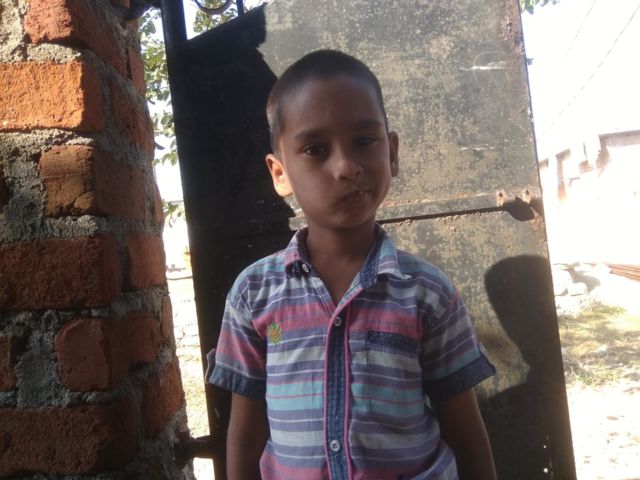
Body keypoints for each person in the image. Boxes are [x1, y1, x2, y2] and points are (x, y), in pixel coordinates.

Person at [208, 49, 497, 480]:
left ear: (392, 152)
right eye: (315, 149)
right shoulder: (254, 293)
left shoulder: (427, 292)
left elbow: (466, 435)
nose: (346, 166)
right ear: (280, 173)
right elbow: (245, 436)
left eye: (364, 141)